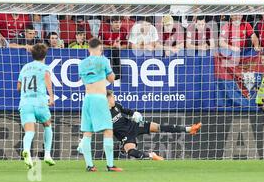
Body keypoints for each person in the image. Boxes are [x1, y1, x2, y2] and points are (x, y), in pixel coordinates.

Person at [78, 90, 202, 160]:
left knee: (159, 127)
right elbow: (93, 128)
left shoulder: (117, 106)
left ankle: (189, 129)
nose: (114, 99)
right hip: (125, 135)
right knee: (131, 151)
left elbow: (128, 111)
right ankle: (151, 155)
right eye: (112, 97)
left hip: (134, 125)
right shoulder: (102, 115)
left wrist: (135, 114)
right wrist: (84, 140)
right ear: (106, 100)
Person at [77, 38, 122, 172]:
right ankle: (110, 165)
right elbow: (111, 79)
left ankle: (89, 166)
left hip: (87, 98)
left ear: (88, 48)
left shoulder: (82, 63)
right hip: (99, 98)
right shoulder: (103, 60)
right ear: (100, 48)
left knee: (87, 132)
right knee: (108, 130)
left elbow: (85, 79)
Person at [17, 44, 55, 169]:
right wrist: (51, 96)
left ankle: (26, 151)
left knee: (29, 132)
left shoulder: (25, 67)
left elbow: (18, 87)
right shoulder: (45, 67)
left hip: (25, 103)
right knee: (47, 125)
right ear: (45, 55)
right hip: (40, 102)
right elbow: (47, 78)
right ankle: (48, 155)